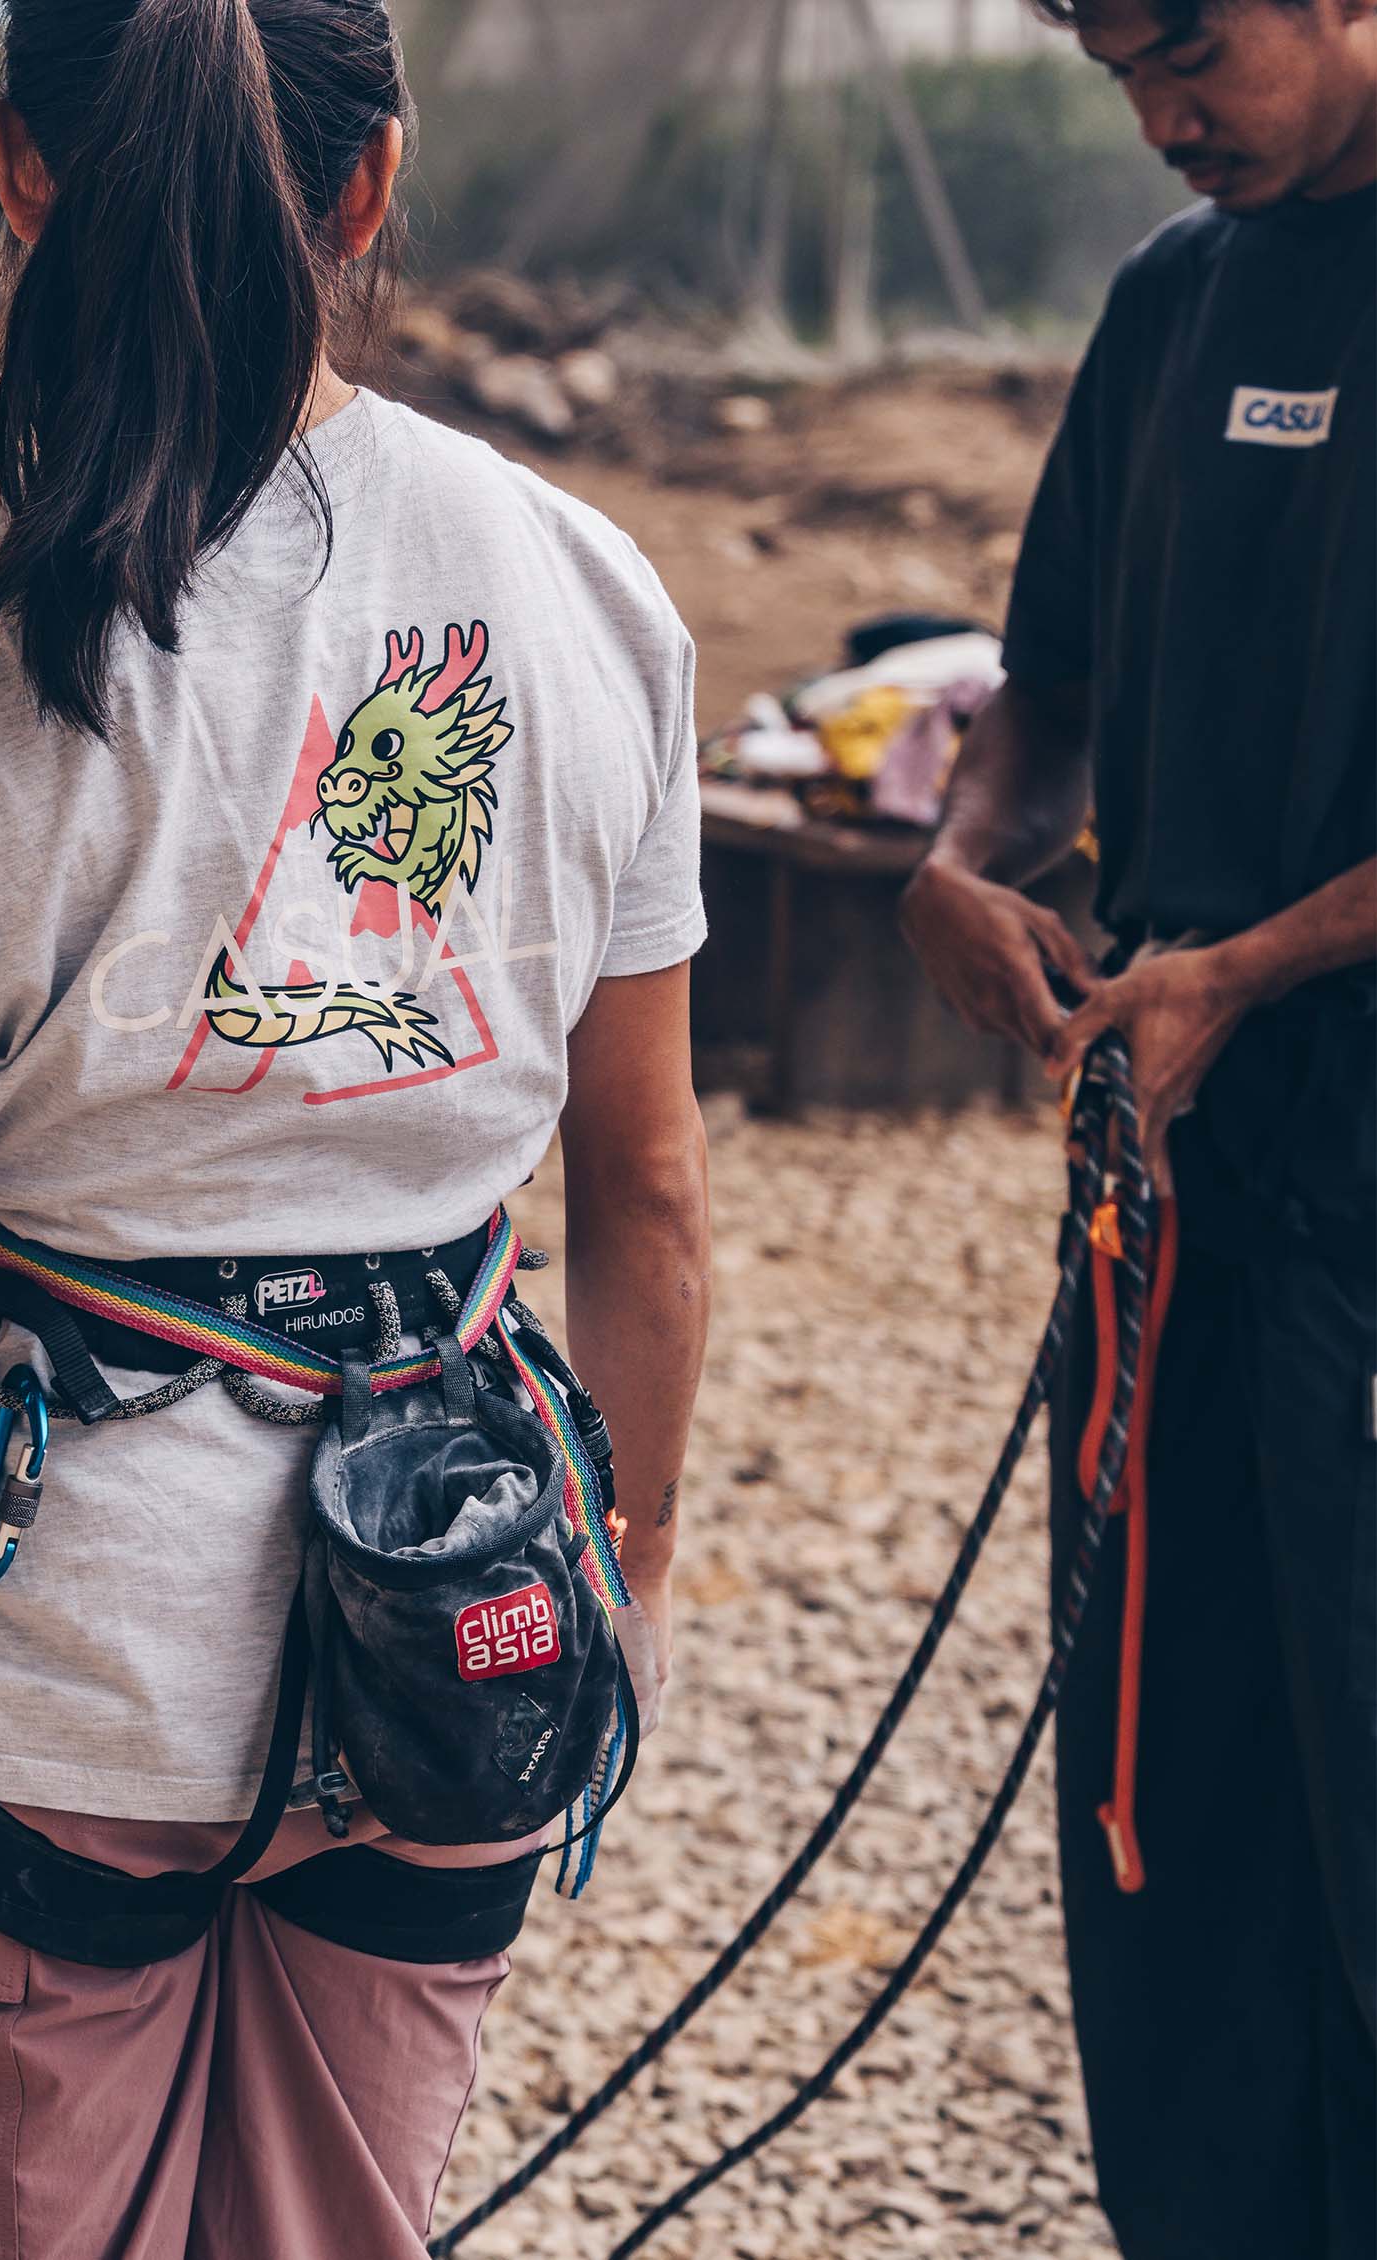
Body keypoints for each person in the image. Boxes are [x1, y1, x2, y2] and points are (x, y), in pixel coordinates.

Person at [0, 4, 713, 2254]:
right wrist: (631, 1573)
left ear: (13, 173)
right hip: (460, 1591)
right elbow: (647, 1182)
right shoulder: (586, 588)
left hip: (68, 1661)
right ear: (369, 186)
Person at [900, 0, 1374, 2249]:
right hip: (1162, 1187)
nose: (1160, 114)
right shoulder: (1166, 302)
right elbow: (1048, 684)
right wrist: (968, 860)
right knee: (1165, 1781)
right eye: (1114, 67)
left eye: (1190, 45)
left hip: (1354, 1170)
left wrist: (1257, 962)